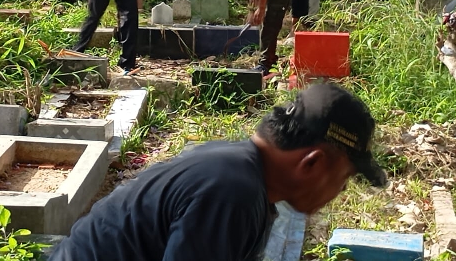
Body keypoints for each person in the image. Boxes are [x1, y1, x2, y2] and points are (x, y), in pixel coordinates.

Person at [50, 81, 386, 261]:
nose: (341, 191)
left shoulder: (237, 169)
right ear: (312, 163)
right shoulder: (232, 193)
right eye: (345, 178)